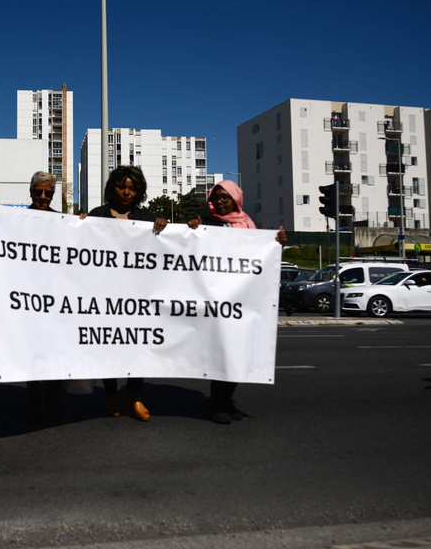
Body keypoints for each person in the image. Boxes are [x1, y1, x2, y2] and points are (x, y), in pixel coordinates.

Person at [187, 180, 286, 425]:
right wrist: (191, 228)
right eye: (216, 197)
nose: (220, 201)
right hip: (215, 300)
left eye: (225, 197)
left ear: (236, 198)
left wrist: (277, 243)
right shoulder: (205, 223)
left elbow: (259, 258)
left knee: (238, 353)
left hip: (241, 300)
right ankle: (217, 404)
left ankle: (227, 401)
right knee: (223, 353)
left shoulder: (248, 224)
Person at [81, 166, 167, 421]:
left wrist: (164, 228)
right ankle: (110, 394)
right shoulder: (97, 215)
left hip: (138, 297)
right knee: (109, 344)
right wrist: (78, 226)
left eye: (132, 187)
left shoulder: (147, 219)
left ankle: (134, 394)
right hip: (105, 295)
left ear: (139, 191)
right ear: (112, 188)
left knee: (136, 346)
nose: (127, 192)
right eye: (122, 186)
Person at [24, 171, 65, 428]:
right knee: (31, 351)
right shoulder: (17, 218)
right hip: (27, 294)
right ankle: (34, 401)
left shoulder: (61, 220)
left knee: (55, 348)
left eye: (48, 193)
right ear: (31, 192)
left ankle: (52, 395)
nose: (42, 197)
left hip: (55, 295)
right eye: (38, 192)